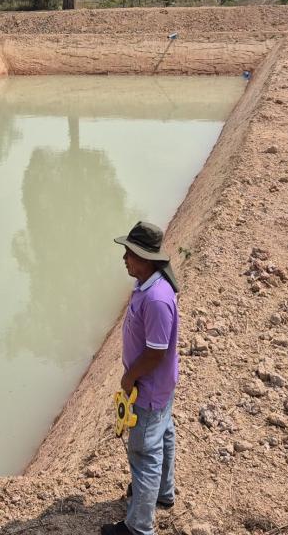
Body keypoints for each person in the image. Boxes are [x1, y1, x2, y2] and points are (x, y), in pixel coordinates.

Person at [102, 221, 179, 535]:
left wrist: (129, 378)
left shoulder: (157, 299)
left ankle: (138, 528)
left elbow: (155, 352)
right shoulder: (147, 284)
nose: (125, 258)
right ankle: (162, 492)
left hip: (147, 387)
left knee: (144, 453)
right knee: (163, 434)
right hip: (158, 385)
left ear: (146, 258)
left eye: (129, 253)